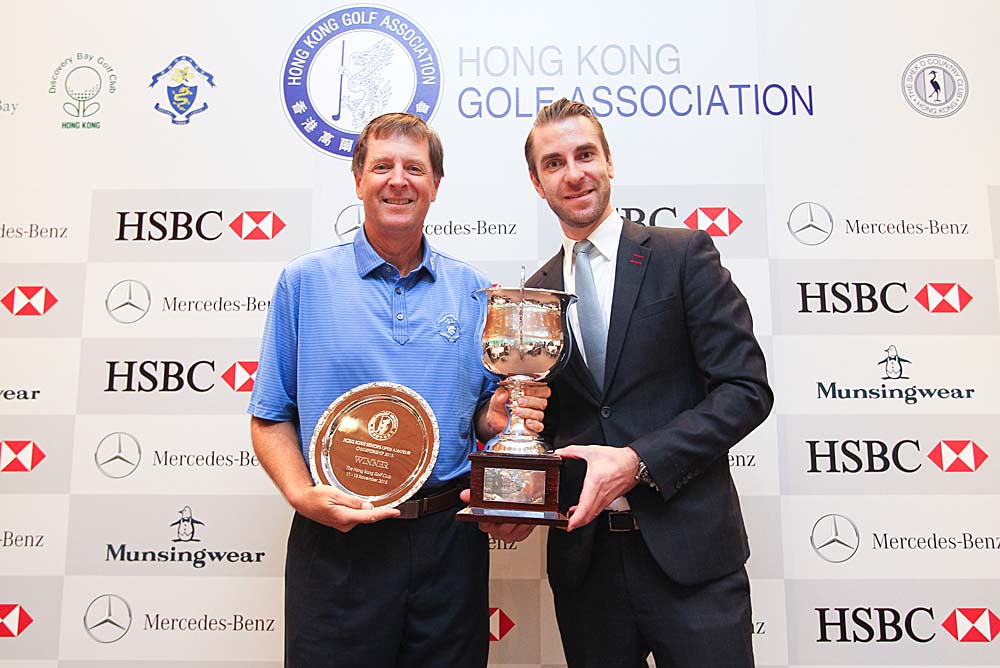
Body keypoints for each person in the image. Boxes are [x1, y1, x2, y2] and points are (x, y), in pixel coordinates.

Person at [248, 112, 547, 668]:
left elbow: (484, 416)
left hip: (446, 544)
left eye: (415, 167)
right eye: (382, 166)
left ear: (435, 185)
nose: (398, 180)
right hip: (338, 541)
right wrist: (299, 493)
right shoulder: (304, 282)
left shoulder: (475, 291)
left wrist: (499, 413)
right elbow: (269, 415)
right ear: (358, 178)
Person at [520, 98, 773, 667]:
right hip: (588, 570)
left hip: (691, 560)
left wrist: (638, 460)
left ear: (610, 162)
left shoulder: (682, 255)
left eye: (586, 155)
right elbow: (550, 427)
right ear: (537, 183)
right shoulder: (533, 295)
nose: (574, 172)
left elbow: (745, 389)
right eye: (554, 163)